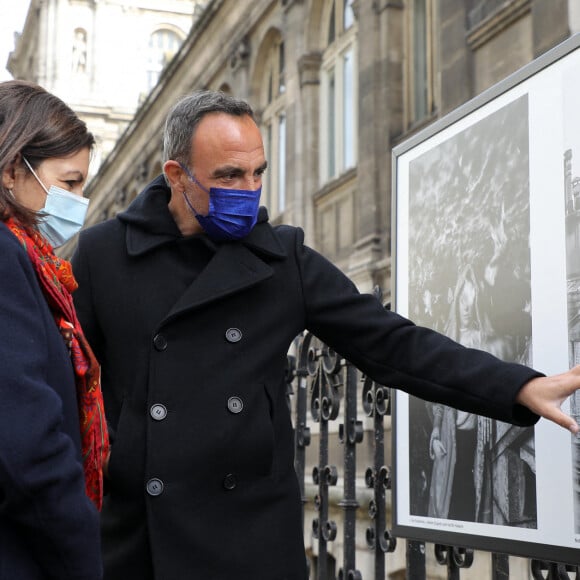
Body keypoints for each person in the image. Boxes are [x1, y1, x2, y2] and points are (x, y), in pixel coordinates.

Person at [71, 89, 580, 580]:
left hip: (249, 540)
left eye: (258, 173)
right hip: (140, 542)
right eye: (228, 175)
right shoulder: (102, 257)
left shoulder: (279, 259)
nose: (248, 190)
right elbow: (65, 393)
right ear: (177, 176)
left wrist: (516, 387)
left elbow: (392, 344)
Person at [0, 80, 109, 579]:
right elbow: (28, 447)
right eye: (69, 183)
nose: (79, 202)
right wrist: (83, 559)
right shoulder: (6, 257)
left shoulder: (30, 258)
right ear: (10, 171)